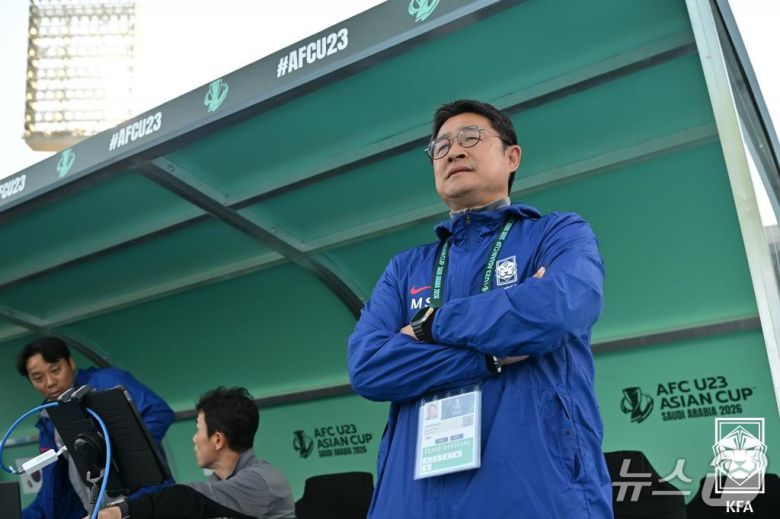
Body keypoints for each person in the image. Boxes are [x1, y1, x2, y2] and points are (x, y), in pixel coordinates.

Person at [348, 99, 613, 518]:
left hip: (534, 498)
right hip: (410, 504)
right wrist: (488, 357)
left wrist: (430, 324)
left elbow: (556, 309)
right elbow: (368, 367)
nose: (453, 151)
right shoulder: (404, 268)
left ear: (512, 157)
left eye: (470, 137)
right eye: (440, 146)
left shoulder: (558, 233)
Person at [16, 337, 175, 519]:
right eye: (38, 378)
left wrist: (119, 454)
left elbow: (158, 412)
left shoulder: (106, 383)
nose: (50, 382)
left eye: (55, 370)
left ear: (71, 363)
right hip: (99, 512)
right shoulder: (48, 419)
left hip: (143, 503)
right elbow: (53, 492)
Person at [96, 386, 295, 519]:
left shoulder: (261, 481)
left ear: (218, 439)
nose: (194, 438)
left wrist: (120, 512)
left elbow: (185, 498)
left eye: (198, 430)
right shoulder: (219, 485)